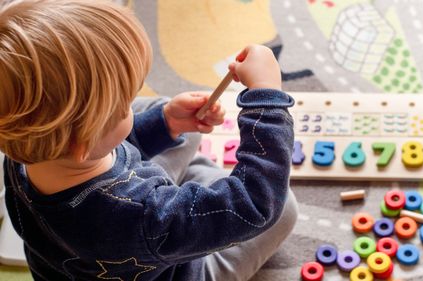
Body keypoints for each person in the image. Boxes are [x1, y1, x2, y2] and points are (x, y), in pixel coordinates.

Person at [0, 0, 298, 280]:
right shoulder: (144, 216)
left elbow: (99, 146)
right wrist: (265, 98)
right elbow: (256, 204)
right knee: (284, 208)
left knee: (172, 123)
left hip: (90, 252)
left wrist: (164, 123)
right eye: (122, 106)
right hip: (174, 265)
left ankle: (175, 163)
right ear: (83, 142)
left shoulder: (21, 147)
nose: (130, 105)